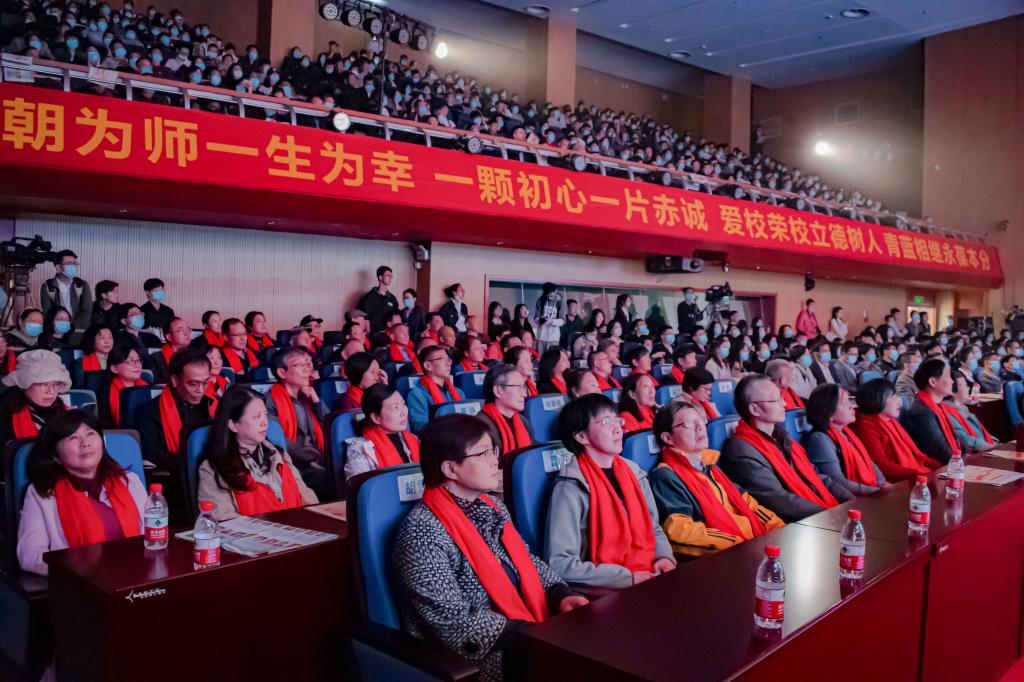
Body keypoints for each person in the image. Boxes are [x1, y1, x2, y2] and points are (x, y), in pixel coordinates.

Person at [391, 415, 584, 679]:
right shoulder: (422, 533)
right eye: (483, 454)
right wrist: (533, 636)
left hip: (527, 631)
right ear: (450, 469)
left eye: (493, 450)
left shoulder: (492, 507)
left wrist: (559, 594)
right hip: (482, 659)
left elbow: (526, 561)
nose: (495, 460)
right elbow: (454, 622)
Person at [546, 394, 676, 591]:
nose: (618, 428)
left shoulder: (635, 473)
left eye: (617, 420)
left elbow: (653, 528)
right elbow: (560, 563)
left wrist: (664, 557)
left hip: (649, 573)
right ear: (581, 436)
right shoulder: (571, 486)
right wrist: (627, 578)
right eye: (607, 422)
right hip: (606, 588)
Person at [16, 410, 147, 576]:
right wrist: (79, 571)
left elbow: (153, 536)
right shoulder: (42, 493)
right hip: (81, 582)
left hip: (135, 575)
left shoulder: (129, 481)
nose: (85, 443)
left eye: (90, 433)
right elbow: (30, 555)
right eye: (73, 437)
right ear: (55, 455)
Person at [649, 402, 783, 557]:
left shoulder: (711, 468)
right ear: (668, 438)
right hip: (727, 554)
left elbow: (749, 504)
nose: (700, 427)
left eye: (701, 421)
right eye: (688, 424)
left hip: (752, 543)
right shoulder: (665, 476)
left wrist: (779, 528)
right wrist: (737, 543)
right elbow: (678, 528)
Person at [719, 375, 852, 522]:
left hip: (822, 514)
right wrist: (831, 516)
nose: (784, 403)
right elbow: (779, 501)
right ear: (755, 409)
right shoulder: (742, 452)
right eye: (775, 400)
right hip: (796, 526)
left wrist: (852, 502)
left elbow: (817, 478)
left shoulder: (782, 438)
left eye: (781, 397)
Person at [198, 387, 318, 521]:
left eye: (265, 414)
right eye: (256, 417)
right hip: (252, 534)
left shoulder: (280, 456)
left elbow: (309, 503)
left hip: (299, 530)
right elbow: (225, 523)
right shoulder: (213, 469)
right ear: (233, 425)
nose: (264, 422)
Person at [266, 347, 331, 499]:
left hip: (320, 455)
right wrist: (310, 460)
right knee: (330, 481)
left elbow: (330, 425)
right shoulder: (270, 401)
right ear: (282, 372)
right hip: (296, 463)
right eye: (299, 365)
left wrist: (316, 402)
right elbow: (279, 441)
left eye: (307, 364)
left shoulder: (307, 396)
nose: (307, 369)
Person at [136, 348, 214, 471]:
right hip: (176, 475)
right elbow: (152, 453)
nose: (200, 390)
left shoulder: (212, 405)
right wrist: (194, 461)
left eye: (205, 383)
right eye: (193, 384)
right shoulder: (149, 411)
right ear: (175, 381)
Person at [804, 384, 886, 497]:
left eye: (849, 400)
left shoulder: (846, 433)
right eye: (845, 402)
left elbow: (869, 463)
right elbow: (837, 482)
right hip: (849, 499)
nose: (851, 406)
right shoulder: (819, 440)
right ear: (828, 412)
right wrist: (876, 491)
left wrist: (882, 484)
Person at [851, 379, 941, 481]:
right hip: (897, 481)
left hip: (914, 473)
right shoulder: (866, 426)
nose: (899, 402)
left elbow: (918, 455)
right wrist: (921, 474)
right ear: (876, 399)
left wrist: (941, 467)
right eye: (893, 397)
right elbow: (882, 466)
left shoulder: (890, 421)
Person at [344, 385, 420, 481]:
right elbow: (361, 487)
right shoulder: (361, 449)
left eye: (403, 404)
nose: (404, 413)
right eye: (396, 407)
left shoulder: (413, 439)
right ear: (376, 418)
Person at [0, 350, 70, 445]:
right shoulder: (5, 417)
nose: (51, 392)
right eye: (44, 384)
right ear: (23, 384)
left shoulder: (64, 410)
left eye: (56, 384)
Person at [900, 359, 962, 465]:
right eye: (948, 376)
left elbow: (955, 438)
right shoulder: (921, 413)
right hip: (937, 468)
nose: (952, 381)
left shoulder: (939, 406)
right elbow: (940, 451)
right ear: (932, 382)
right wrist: (960, 462)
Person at [478, 363, 533, 459]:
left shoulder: (524, 422)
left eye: (523, 387)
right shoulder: (480, 427)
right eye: (518, 387)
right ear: (498, 391)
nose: (524, 394)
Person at [407, 346, 463, 432]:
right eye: (441, 359)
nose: (448, 364)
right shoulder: (416, 395)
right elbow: (422, 429)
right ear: (428, 366)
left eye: (448, 360)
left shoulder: (459, 392)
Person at [944, 374, 998, 454]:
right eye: (964, 385)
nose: (968, 388)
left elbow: (982, 432)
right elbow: (963, 438)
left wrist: (994, 441)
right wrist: (990, 446)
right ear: (951, 390)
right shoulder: (948, 412)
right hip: (975, 453)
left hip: (985, 448)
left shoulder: (964, 409)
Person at [40, 250, 93, 331]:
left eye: (74, 263)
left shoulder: (82, 285)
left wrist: (73, 327)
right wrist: (58, 327)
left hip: (78, 329)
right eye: (69, 264)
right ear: (58, 267)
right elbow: (47, 312)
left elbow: (86, 311)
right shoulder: (47, 286)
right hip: (57, 329)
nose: (73, 266)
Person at [97, 345, 148, 429]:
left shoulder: (148, 387)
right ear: (114, 368)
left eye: (138, 360)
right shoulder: (105, 393)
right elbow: (105, 425)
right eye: (131, 361)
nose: (137, 365)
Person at [358, 265, 400, 334]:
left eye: (391, 276)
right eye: (388, 275)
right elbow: (365, 317)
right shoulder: (369, 297)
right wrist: (369, 333)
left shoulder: (392, 298)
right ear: (380, 277)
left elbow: (396, 316)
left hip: (389, 333)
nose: (390, 278)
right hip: (374, 334)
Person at [534, 282, 565, 355]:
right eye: (547, 296)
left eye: (551, 296)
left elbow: (563, 321)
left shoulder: (561, 301)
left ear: (555, 291)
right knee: (540, 359)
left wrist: (551, 321)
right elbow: (536, 319)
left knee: (552, 359)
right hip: (541, 336)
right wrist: (540, 320)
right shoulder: (540, 300)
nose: (549, 298)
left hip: (554, 337)